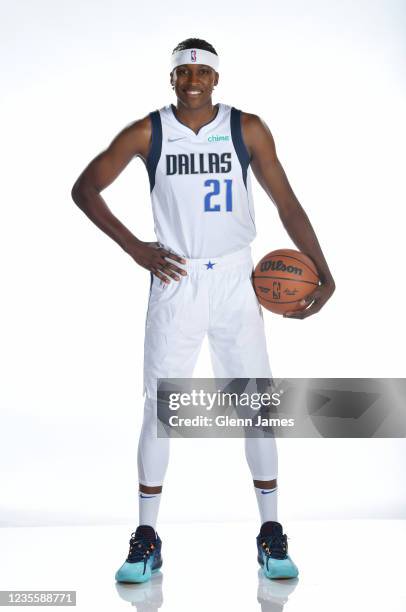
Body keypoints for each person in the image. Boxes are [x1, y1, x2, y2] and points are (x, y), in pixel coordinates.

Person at [71, 37, 335, 583]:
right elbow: (86, 188)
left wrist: (323, 269)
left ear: (217, 77)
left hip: (238, 278)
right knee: (160, 409)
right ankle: (146, 537)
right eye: (183, 71)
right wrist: (135, 248)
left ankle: (270, 532)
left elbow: (286, 202)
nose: (193, 79)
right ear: (171, 78)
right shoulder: (148, 131)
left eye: (202, 71)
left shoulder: (248, 128)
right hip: (178, 278)